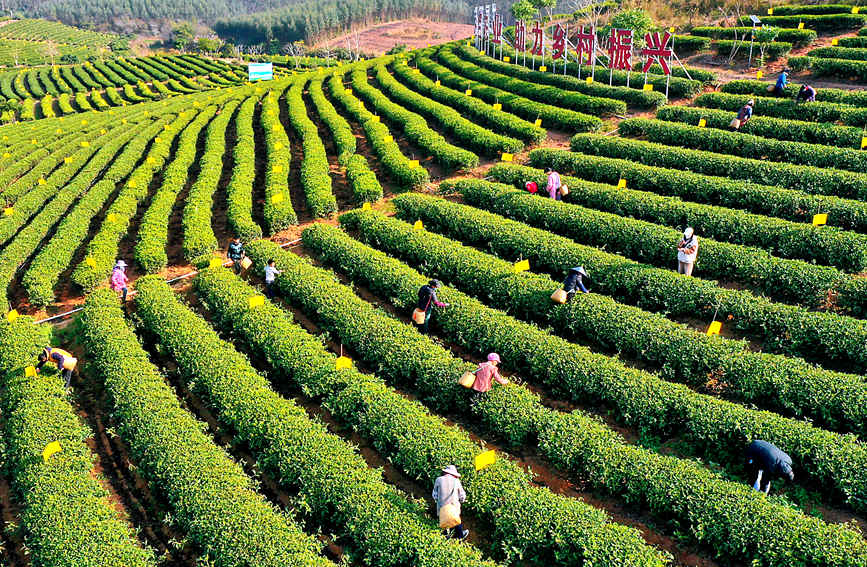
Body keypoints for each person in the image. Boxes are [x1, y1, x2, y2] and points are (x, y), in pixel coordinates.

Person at [432, 465, 468, 540]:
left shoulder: (438, 479)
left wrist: (439, 500)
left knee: (444, 520)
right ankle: (460, 536)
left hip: (442, 507)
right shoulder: (456, 481)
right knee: (455, 520)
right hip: (453, 506)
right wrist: (462, 500)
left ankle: (446, 536)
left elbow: (434, 494)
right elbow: (462, 495)